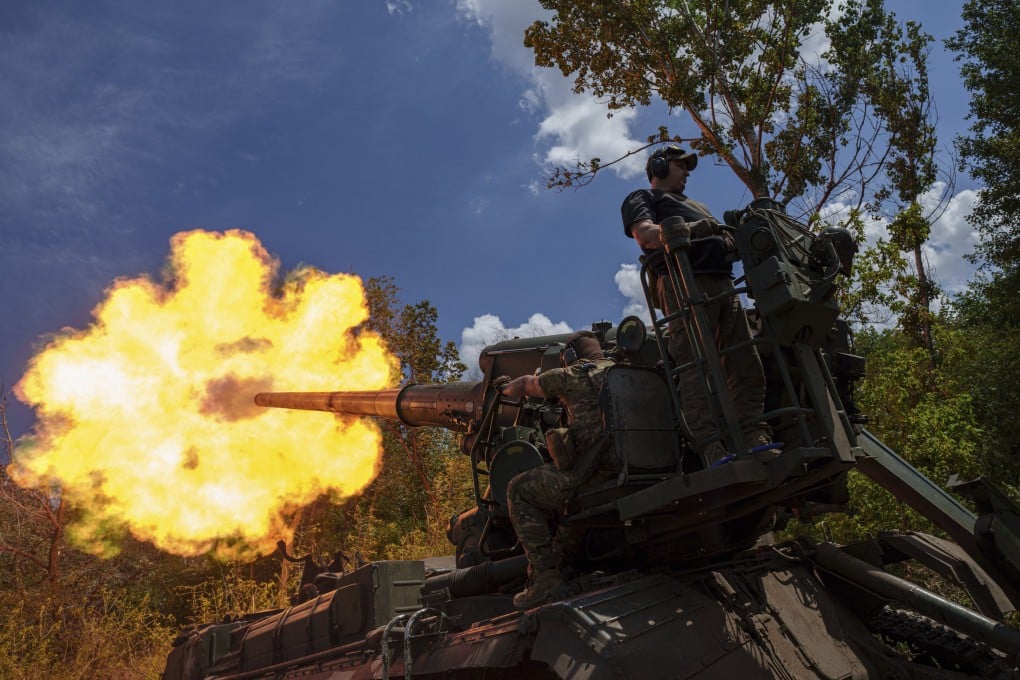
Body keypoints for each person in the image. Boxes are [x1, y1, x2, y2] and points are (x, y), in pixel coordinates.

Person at [620, 144, 772, 465]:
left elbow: (721, 237)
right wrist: (690, 229)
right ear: (659, 168)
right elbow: (646, 235)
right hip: (682, 283)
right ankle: (710, 445)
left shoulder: (698, 206)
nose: (687, 172)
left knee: (745, 360)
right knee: (695, 367)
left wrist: (731, 239)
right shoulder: (643, 198)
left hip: (722, 284)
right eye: (680, 166)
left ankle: (754, 433)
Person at [499, 331, 616, 609]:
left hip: (593, 473)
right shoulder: (621, 370)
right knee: (567, 510)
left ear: (572, 357)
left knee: (519, 490)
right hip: (625, 467)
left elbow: (528, 384)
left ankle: (546, 580)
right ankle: (568, 565)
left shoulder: (575, 375)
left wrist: (502, 388)